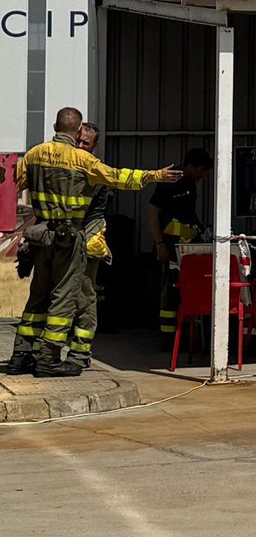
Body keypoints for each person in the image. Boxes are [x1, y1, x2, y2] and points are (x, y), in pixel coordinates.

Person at [9, 108, 178, 378]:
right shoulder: (83, 161)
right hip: (69, 239)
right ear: (77, 133)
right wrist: (155, 175)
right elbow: (119, 176)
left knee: (38, 296)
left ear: (54, 126)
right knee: (64, 299)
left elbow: (14, 183)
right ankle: (50, 359)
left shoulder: (34, 154)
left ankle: (21, 355)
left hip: (42, 237)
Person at [146, 148, 212, 343]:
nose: (203, 176)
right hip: (170, 245)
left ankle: (185, 334)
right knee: (171, 290)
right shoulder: (171, 180)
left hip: (188, 247)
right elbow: (152, 211)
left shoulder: (191, 183)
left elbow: (187, 215)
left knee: (187, 290)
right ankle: (169, 337)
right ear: (190, 166)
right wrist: (160, 244)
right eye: (201, 170)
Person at [67, 123, 113, 370]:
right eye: (78, 140)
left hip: (86, 240)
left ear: (94, 146)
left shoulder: (95, 171)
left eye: (86, 143)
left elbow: (83, 212)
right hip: (67, 239)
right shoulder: (65, 164)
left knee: (85, 296)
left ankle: (81, 353)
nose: (81, 146)